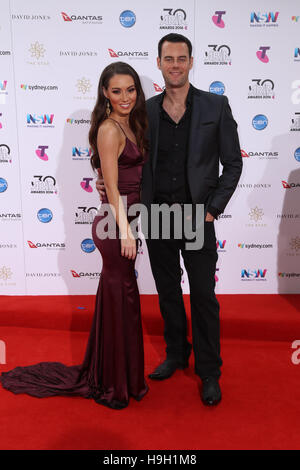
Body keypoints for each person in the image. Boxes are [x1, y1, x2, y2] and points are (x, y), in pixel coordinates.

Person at [97, 34, 242, 406]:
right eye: (168, 58)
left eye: (181, 58)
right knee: (168, 293)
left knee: (204, 298)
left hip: (197, 216)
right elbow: (122, 152)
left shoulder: (215, 106)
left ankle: (209, 370)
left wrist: (213, 208)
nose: (175, 64)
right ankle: (176, 353)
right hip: (157, 214)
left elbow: (233, 163)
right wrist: (108, 182)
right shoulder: (146, 112)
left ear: (191, 62)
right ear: (158, 63)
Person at [0, 62, 149, 410]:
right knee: (121, 296)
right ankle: (114, 382)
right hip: (115, 225)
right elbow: (111, 186)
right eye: (117, 91)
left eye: (131, 89)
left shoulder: (134, 123)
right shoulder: (110, 129)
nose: (125, 97)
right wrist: (125, 232)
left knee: (121, 298)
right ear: (104, 93)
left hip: (128, 220)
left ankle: (117, 376)